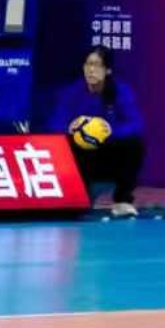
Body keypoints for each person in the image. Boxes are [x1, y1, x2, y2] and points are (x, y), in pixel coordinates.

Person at [49, 46, 146, 216]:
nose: (91, 70)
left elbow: (136, 124)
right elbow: (53, 124)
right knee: (70, 144)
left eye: (97, 65)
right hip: (81, 154)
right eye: (88, 64)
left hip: (108, 151)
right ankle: (80, 198)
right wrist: (69, 127)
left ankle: (122, 200)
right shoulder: (71, 92)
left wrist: (110, 131)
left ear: (108, 70)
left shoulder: (120, 91)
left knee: (136, 144)